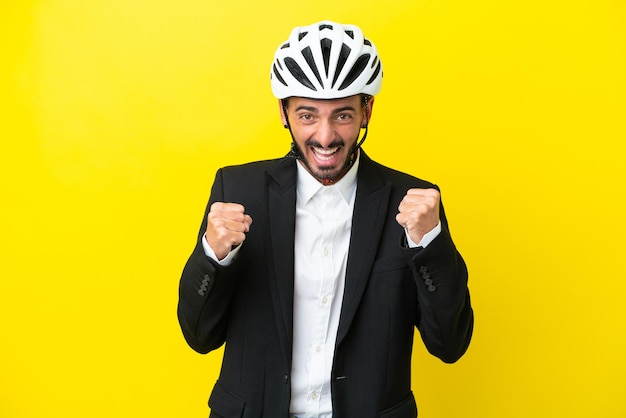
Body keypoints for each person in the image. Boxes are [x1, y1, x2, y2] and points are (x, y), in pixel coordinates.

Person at [177, 20, 473, 418]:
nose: (325, 136)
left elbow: (450, 344)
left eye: (343, 116)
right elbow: (199, 336)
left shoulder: (413, 204)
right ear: (284, 113)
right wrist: (213, 256)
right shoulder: (238, 191)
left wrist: (430, 244)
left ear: (367, 110)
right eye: (307, 115)